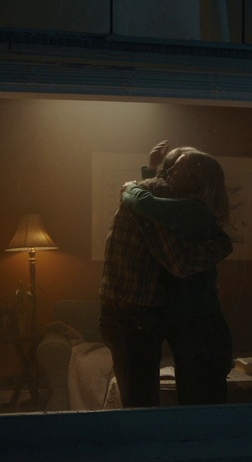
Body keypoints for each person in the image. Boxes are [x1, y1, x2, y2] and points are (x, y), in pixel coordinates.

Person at [99, 142, 233, 407]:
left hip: (148, 313)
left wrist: (133, 186)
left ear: (195, 180)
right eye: (171, 169)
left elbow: (153, 206)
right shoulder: (167, 198)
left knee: (146, 402)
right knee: (159, 402)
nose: (170, 174)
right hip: (141, 314)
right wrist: (221, 247)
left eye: (176, 169)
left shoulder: (183, 206)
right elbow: (180, 261)